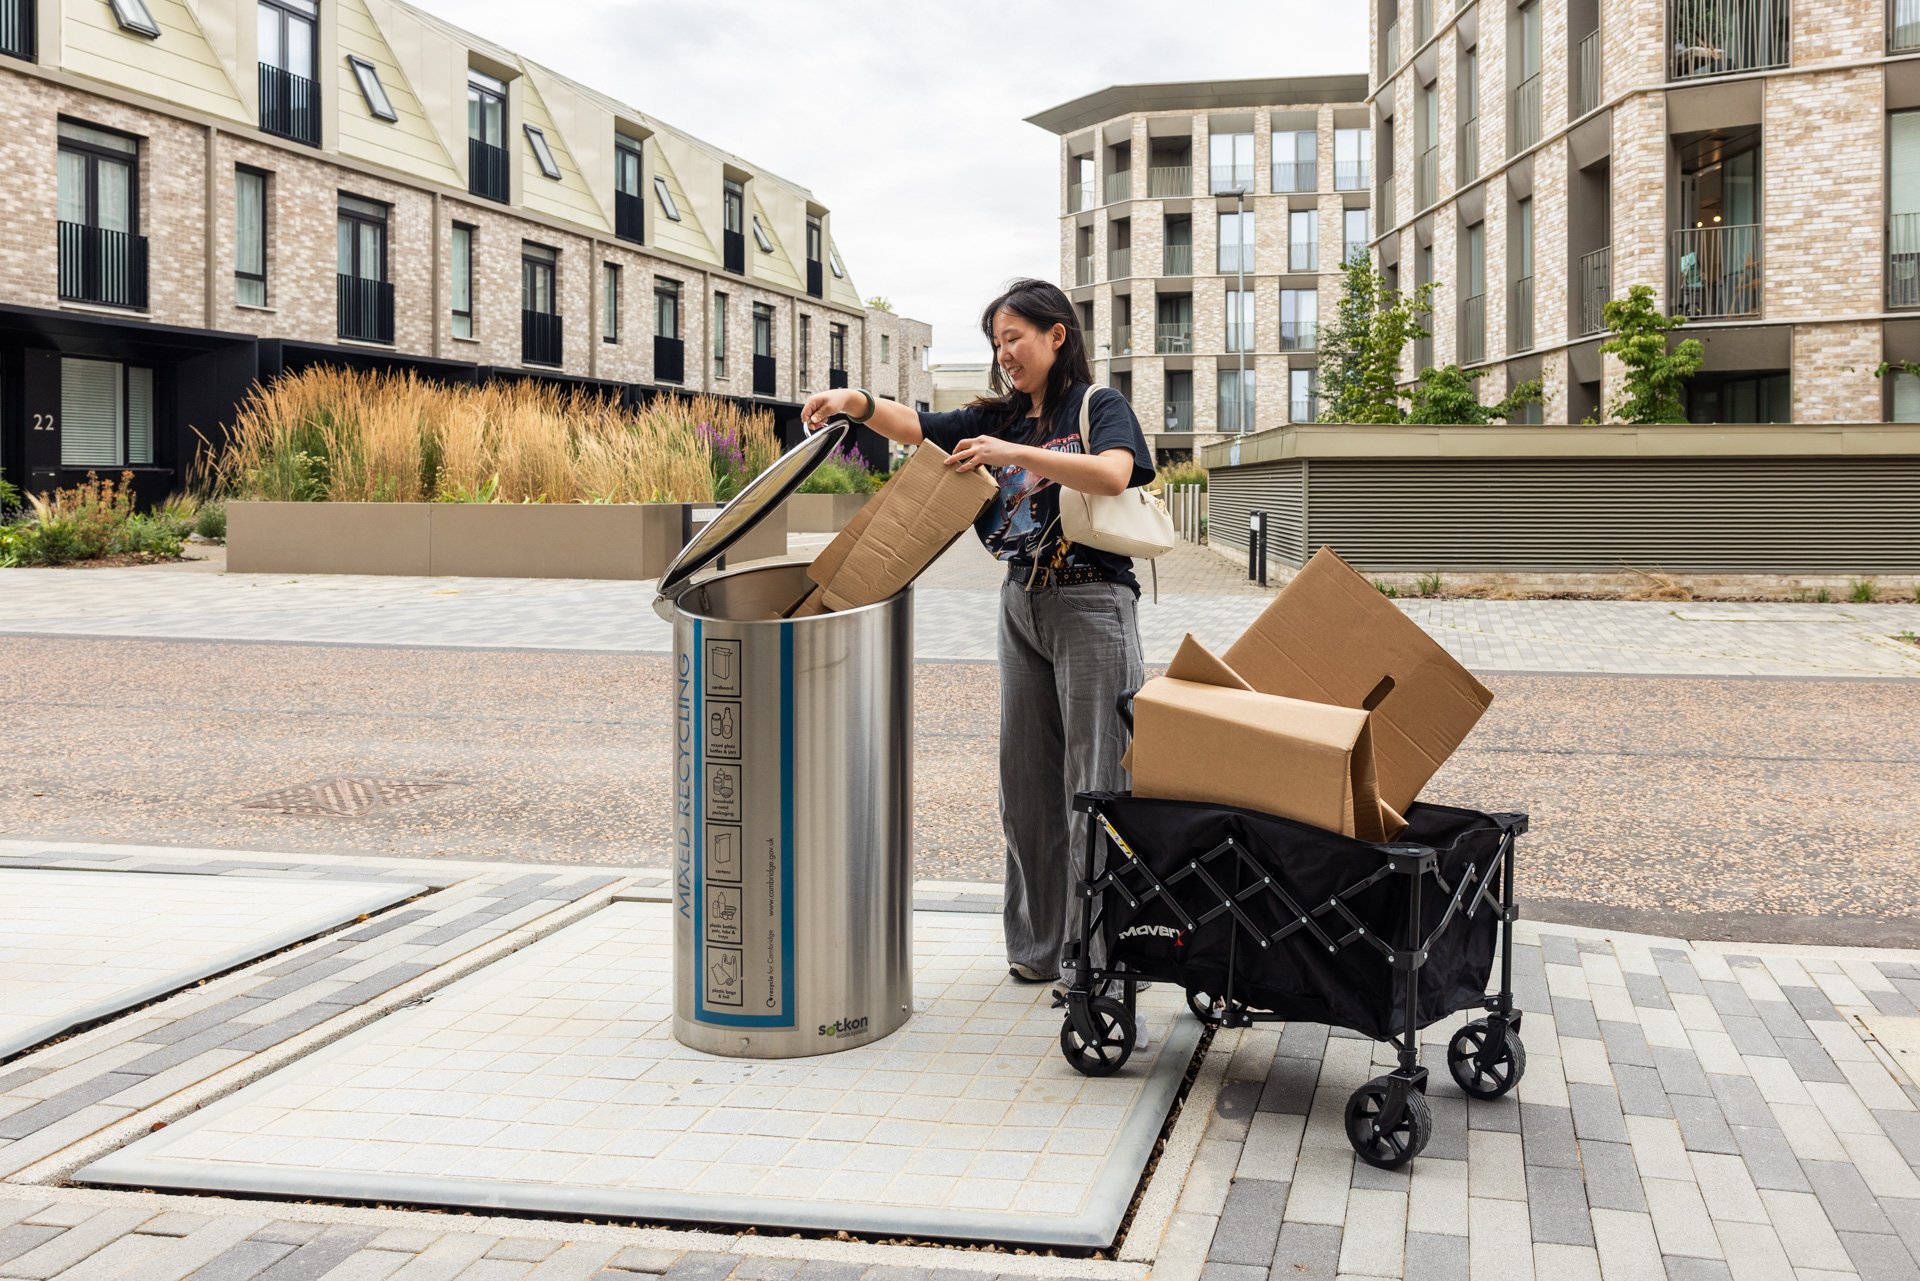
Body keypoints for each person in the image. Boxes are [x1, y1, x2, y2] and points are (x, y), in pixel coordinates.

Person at [801, 278, 1153, 993]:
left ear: (1057, 335)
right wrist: (854, 403)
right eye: (997, 343)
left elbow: (1115, 473)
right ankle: (1037, 944)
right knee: (1024, 782)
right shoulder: (999, 418)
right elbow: (917, 424)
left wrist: (1015, 455)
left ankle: (1104, 959)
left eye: (1015, 338)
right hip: (1020, 603)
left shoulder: (1097, 406)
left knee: (1099, 781)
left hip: (1093, 602)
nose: (1005, 354)